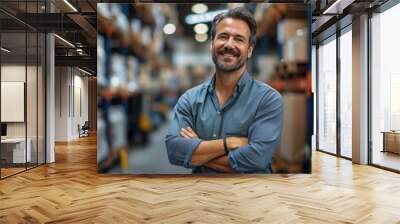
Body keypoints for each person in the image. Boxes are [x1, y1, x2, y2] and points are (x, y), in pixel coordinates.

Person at [165, 7, 283, 173]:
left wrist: (198, 151)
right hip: (201, 196)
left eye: (239, 39)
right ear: (212, 44)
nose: (229, 44)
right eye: (223, 36)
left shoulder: (268, 99)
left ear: (249, 50)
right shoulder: (189, 99)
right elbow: (174, 150)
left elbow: (257, 159)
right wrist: (230, 143)